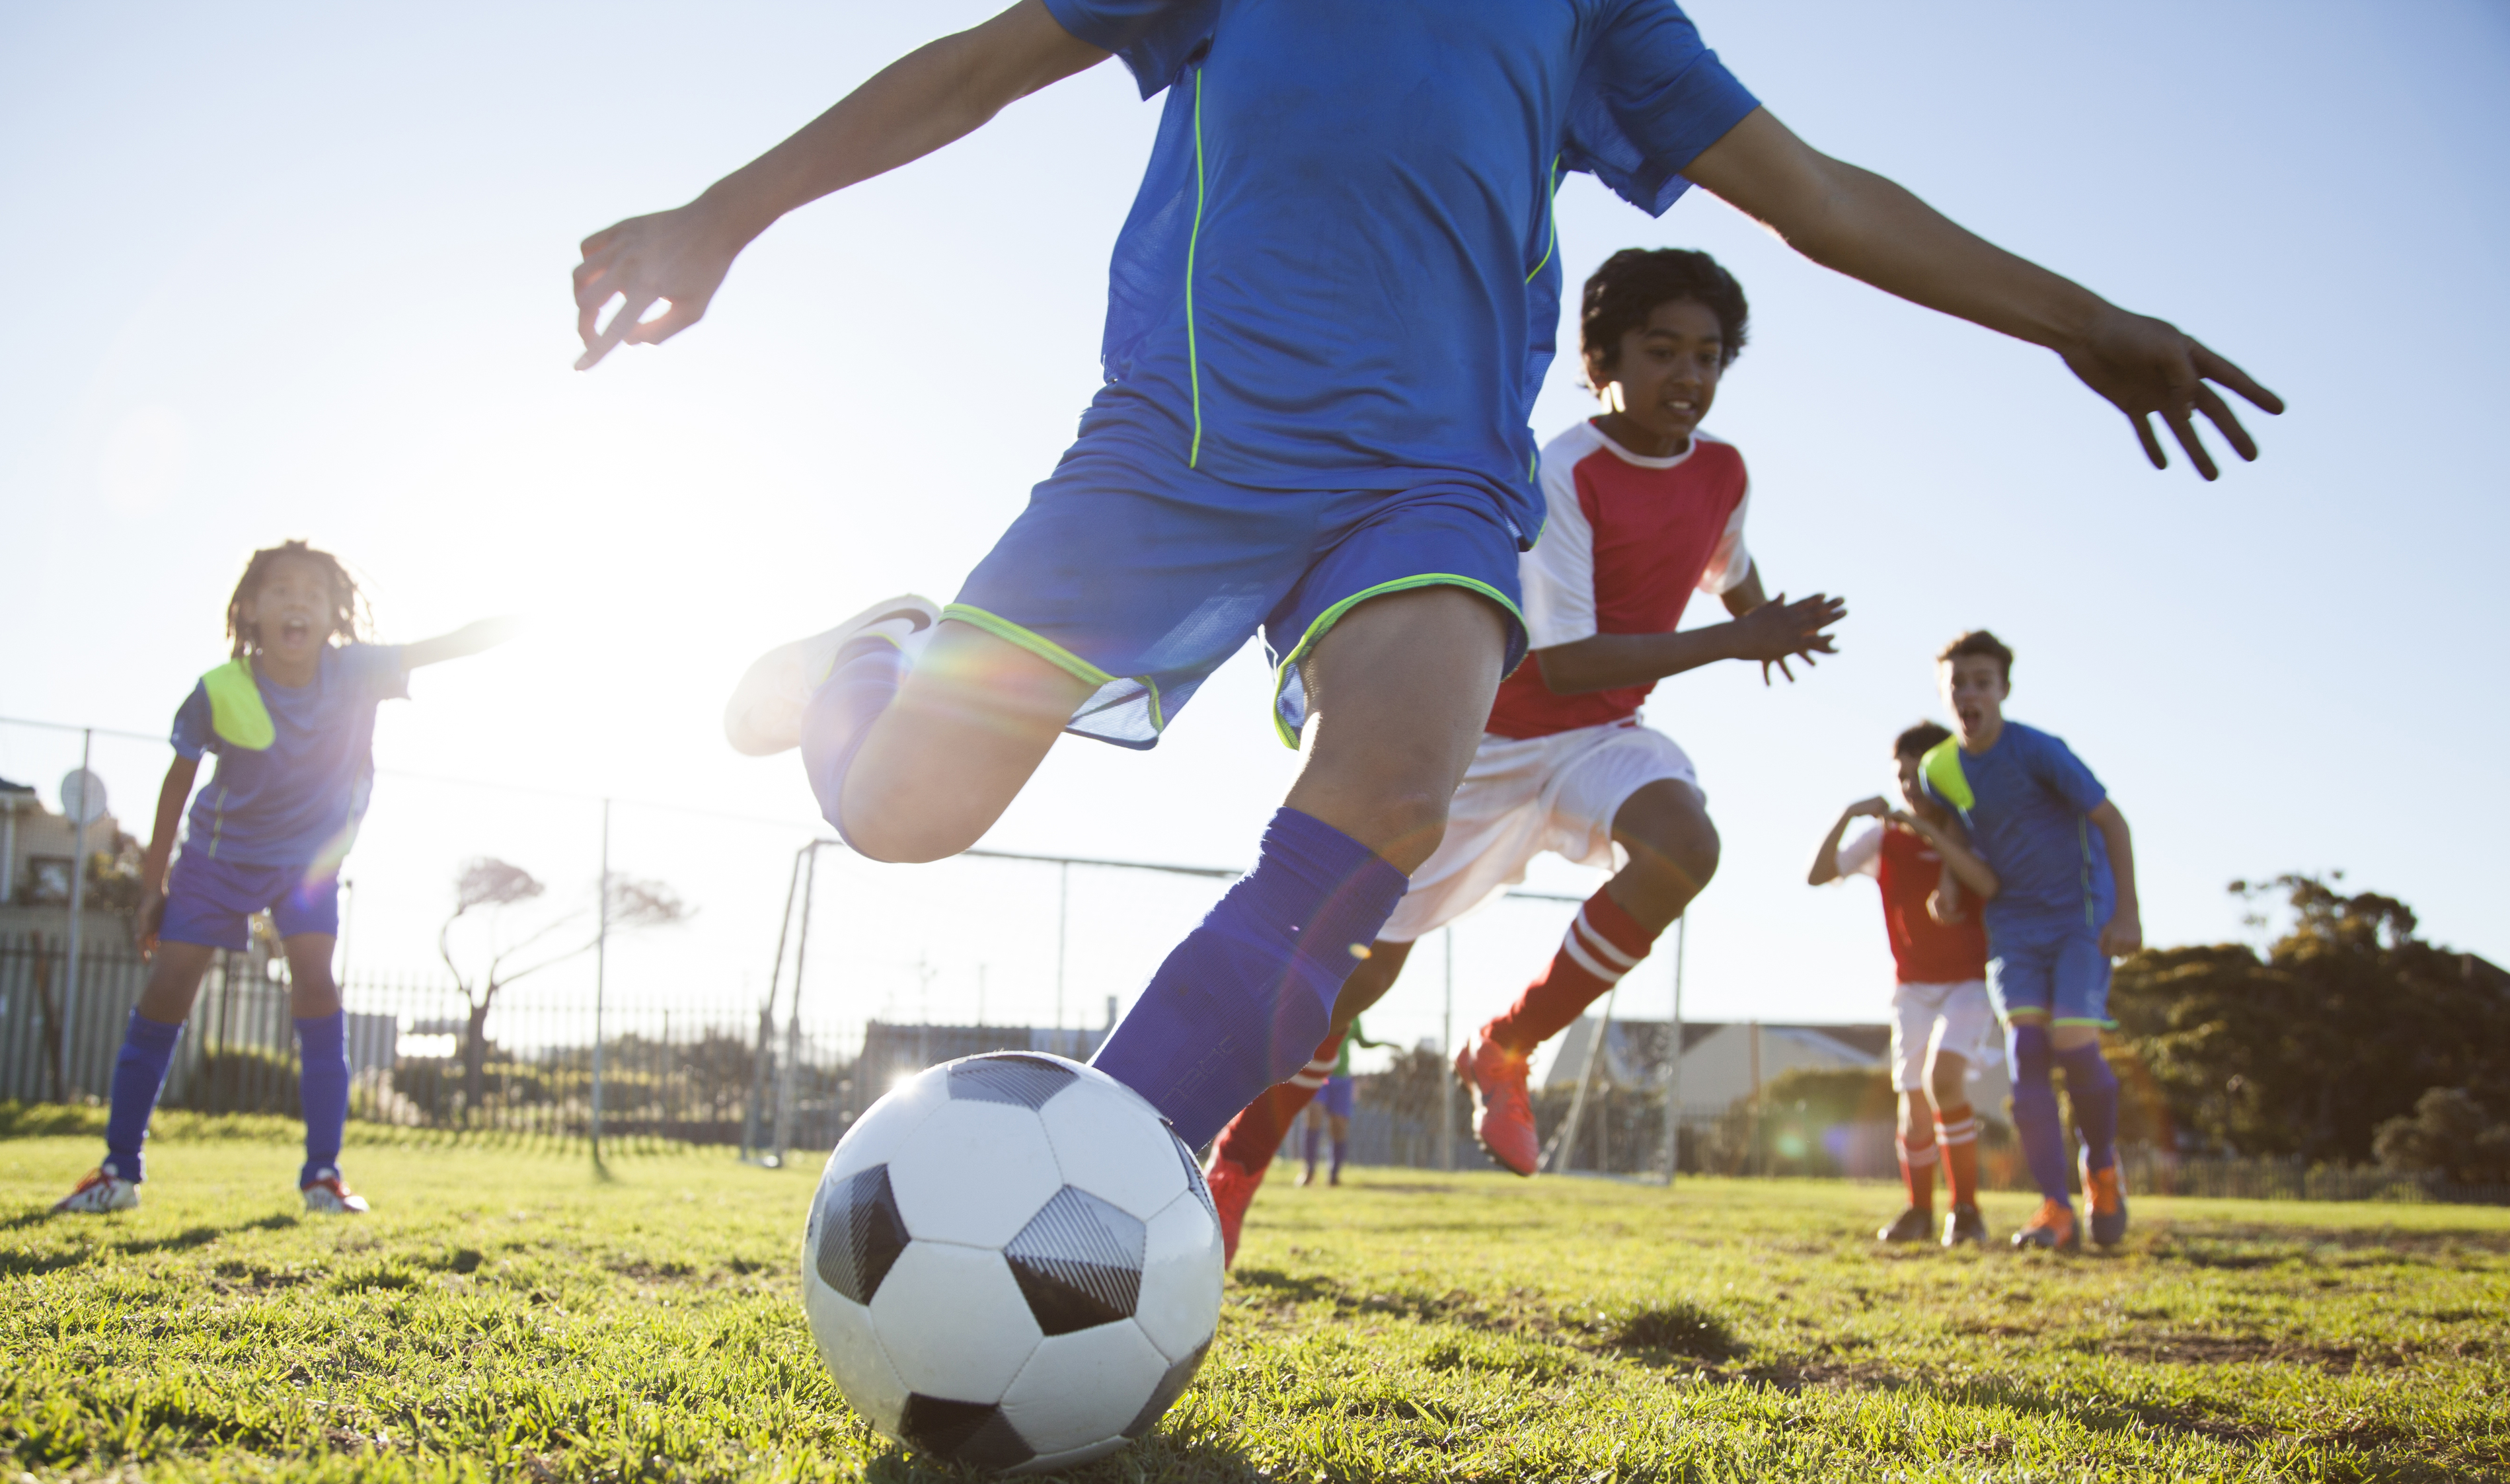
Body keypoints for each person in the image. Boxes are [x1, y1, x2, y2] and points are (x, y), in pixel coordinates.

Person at [572, 0, 2277, 1255]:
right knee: (902, 816)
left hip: (1430, 478)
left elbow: (1814, 197)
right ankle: (880, 653)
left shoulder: (1597, 11)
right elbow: (981, 64)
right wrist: (724, 213)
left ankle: (1101, 1186)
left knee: (1391, 797)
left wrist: (2079, 320)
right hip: (1176, 447)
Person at [1203, 246, 1841, 1247]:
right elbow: (1575, 661)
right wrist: (1738, 639)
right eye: (1661, 350)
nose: (1689, 376)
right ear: (1604, 363)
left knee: (1687, 844)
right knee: (1359, 980)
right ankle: (1236, 1167)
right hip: (1488, 738)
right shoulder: (1565, 470)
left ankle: (1506, 1047)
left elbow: (1730, 564)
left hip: (1597, 740)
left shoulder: (1724, 470)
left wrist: (1769, 621)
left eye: (1709, 356)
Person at [54, 543, 518, 1216]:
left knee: (316, 982)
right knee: (169, 987)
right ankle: (118, 1171)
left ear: (334, 613)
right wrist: (153, 886)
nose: (296, 601)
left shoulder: (357, 670)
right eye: (280, 590)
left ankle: (323, 1175)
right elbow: (176, 787)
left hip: (307, 862)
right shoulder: (219, 689)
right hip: (218, 858)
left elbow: (446, 644)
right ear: (249, 610)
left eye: (312, 592)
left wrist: (529, 620)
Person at [1922, 631, 2137, 1250]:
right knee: (2027, 1054)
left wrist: (2129, 913)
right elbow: (1956, 827)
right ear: (1946, 691)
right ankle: (2055, 1207)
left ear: (2003, 690)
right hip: (2012, 924)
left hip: (2079, 915)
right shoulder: (1941, 767)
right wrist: (1948, 883)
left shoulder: (2040, 752)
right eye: (1958, 682)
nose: (1969, 693)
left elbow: (2111, 820)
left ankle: (2101, 1167)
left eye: (1982, 682)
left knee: (2072, 1038)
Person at [1808, 720, 2003, 1247]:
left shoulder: (1971, 831)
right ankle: (1919, 1210)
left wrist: (1943, 854)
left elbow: (1983, 884)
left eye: (1922, 776)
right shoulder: (1884, 837)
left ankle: (1966, 1211)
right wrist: (1849, 814)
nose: (1912, 788)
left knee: (1944, 1080)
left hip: (1966, 982)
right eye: (1903, 777)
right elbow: (1818, 874)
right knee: (1913, 1096)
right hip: (1911, 987)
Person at [1290, 1016, 1390, 1187]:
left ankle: (1334, 1175)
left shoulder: (1355, 1016)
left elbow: (1363, 1042)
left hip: (1342, 1080)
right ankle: (1308, 1171)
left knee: (1339, 1125)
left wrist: (1384, 1043)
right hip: (1320, 1076)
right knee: (1314, 1116)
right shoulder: (1323, 1008)